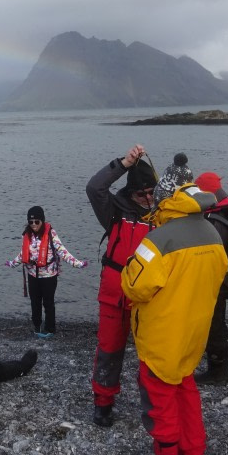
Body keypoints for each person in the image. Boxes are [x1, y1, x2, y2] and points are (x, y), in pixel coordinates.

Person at [121, 182, 228, 455]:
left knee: (159, 393)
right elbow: (219, 275)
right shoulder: (212, 234)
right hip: (194, 331)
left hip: (163, 331)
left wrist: (131, 264)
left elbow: (135, 286)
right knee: (185, 388)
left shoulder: (159, 239)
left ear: (168, 199)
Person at [85, 145, 158, 427]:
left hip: (149, 300)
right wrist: (124, 163)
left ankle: (154, 406)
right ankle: (103, 402)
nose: (148, 199)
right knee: (109, 351)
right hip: (114, 296)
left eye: (152, 192)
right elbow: (94, 188)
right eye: (142, 193)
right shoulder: (115, 212)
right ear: (131, 192)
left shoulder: (164, 215)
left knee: (152, 357)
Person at [5, 206, 88, 338]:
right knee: (34, 302)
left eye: (36, 222)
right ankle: (36, 326)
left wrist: (77, 264)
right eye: (31, 222)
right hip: (32, 275)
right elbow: (23, 254)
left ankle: (50, 329)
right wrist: (12, 263)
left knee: (48, 303)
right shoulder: (27, 235)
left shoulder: (51, 234)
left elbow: (62, 251)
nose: (33, 225)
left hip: (49, 276)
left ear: (42, 221)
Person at [193, 171, 228, 385]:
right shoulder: (226, 210)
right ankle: (218, 368)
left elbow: (208, 254)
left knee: (214, 324)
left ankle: (218, 371)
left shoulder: (214, 220)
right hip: (223, 278)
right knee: (216, 321)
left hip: (215, 281)